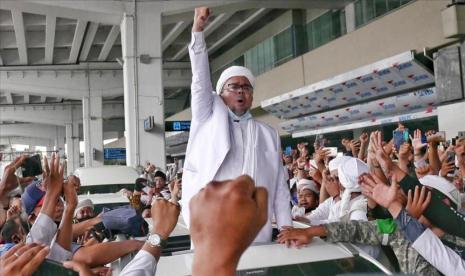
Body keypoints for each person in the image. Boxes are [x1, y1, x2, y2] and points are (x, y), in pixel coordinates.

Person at [181, 7, 291, 243]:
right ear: (220, 94)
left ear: (251, 96)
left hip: (256, 231)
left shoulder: (268, 133)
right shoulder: (207, 117)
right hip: (212, 228)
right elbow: (200, 80)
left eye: (246, 87)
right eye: (234, 86)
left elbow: (279, 186)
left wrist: (286, 228)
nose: (241, 91)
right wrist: (198, 32)